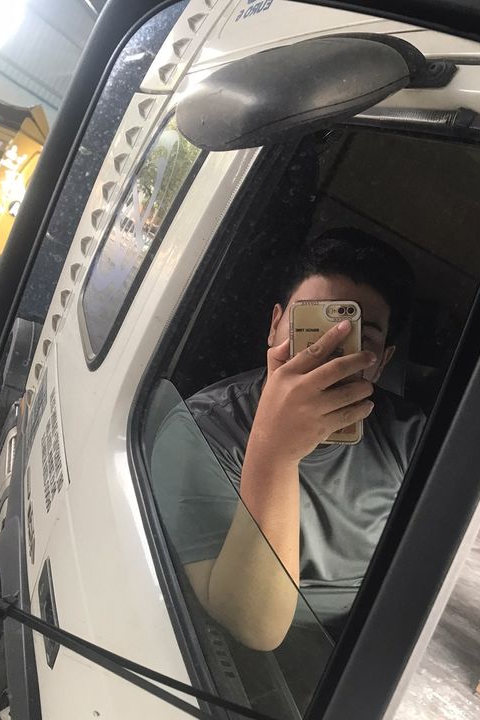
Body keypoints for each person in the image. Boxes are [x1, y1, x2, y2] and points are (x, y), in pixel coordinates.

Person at [151, 228, 425, 652]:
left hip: (371, 637)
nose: (327, 355)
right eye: (311, 328)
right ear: (275, 326)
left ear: (382, 361)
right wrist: (275, 451)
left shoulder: (409, 437)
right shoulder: (203, 431)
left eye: (360, 338)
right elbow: (253, 626)